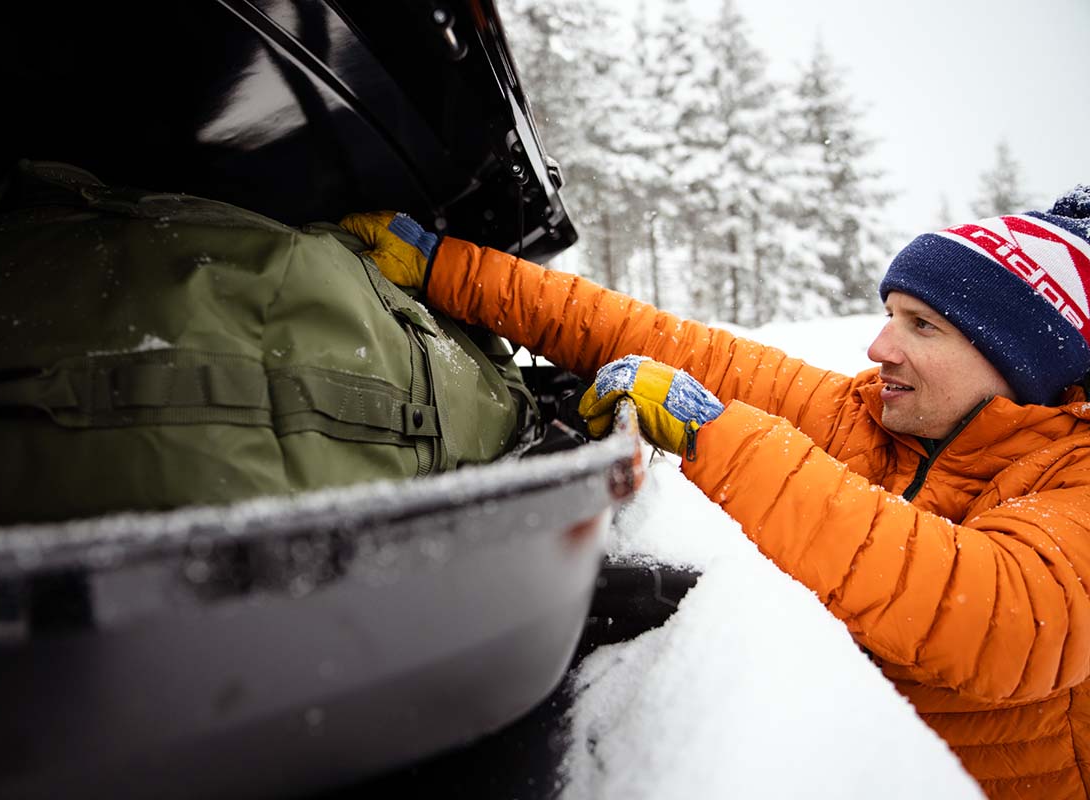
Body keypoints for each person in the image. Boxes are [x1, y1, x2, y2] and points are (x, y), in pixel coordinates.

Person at [340, 188, 1090, 800]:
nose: (879, 348)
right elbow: (654, 337)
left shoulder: (1075, 474)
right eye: (890, 315)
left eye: (920, 326)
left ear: (1016, 359)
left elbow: (1000, 616)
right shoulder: (874, 418)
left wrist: (711, 433)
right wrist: (445, 269)